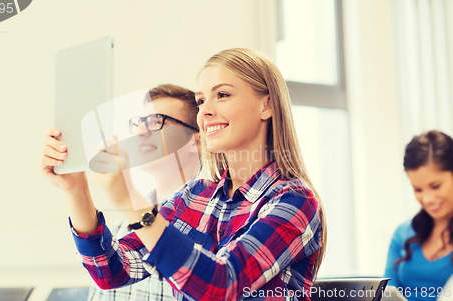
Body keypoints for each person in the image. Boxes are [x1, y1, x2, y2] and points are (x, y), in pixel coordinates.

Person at [40, 48, 326, 301]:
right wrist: (76, 190)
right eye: (201, 101)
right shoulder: (193, 196)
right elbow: (111, 272)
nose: (205, 112)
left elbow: (220, 287)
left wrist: (131, 202)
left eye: (222, 95)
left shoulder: (294, 201)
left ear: (267, 105)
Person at [87, 84, 201, 301]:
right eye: (138, 123)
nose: (140, 131)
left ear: (195, 141)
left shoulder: (213, 225)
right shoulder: (119, 229)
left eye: (156, 121)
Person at [384, 130, 453, 301]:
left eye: (435, 186)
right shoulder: (402, 233)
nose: (427, 199)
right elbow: (387, 292)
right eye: (418, 189)